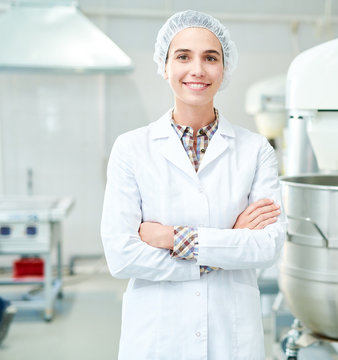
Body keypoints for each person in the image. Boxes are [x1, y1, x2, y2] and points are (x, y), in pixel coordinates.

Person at [100, 9, 286, 360]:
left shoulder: (255, 149)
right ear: (164, 65)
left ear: (224, 67)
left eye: (210, 57)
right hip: (156, 338)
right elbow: (121, 256)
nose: (197, 69)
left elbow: (267, 246)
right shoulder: (131, 148)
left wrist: (172, 238)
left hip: (230, 337)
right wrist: (227, 244)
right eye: (183, 56)